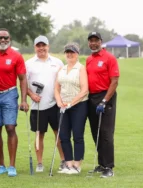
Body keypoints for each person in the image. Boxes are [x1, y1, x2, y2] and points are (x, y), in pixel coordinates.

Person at [0, 28, 29, 177]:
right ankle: (1, 165)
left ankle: (12, 166)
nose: (3, 40)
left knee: (10, 127)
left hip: (9, 93)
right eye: (0, 38)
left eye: (5, 38)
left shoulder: (16, 56)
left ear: (10, 39)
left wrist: (23, 100)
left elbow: (22, 78)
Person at [25, 35, 65, 172]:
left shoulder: (58, 62)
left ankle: (63, 160)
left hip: (55, 104)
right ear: (35, 47)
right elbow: (24, 84)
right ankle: (40, 163)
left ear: (48, 46)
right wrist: (31, 95)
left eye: (44, 45)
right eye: (38, 45)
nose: (41, 48)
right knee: (39, 135)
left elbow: (62, 81)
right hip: (37, 106)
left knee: (59, 133)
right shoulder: (28, 63)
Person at [86, 32, 120, 178]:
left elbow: (114, 81)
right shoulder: (89, 59)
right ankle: (101, 164)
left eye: (96, 41)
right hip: (91, 97)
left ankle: (109, 167)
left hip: (106, 96)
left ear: (101, 41)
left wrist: (104, 101)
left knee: (106, 133)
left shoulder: (109, 58)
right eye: (91, 41)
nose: (93, 43)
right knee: (96, 132)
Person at [54, 43, 88, 174]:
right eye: (67, 52)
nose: (69, 54)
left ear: (77, 54)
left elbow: (84, 90)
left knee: (78, 135)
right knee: (63, 135)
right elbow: (56, 88)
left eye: (72, 52)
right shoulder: (61, 69)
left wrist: (71, 103)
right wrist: (59, 102)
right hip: (63, 107)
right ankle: (68, 165)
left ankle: (77, 165)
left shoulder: (80, 68)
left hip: (79, 105)